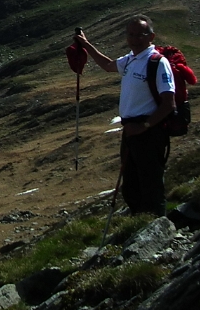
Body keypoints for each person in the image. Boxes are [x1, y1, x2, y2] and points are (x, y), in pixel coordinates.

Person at [75, 16, 175, 216]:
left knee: (150, 182)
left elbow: (168, 103)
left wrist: (144, 126)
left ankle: (156, 226)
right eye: (131, 34)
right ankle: (139, 223)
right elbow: (108, 65)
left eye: (140, 34)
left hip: (148, 131)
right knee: (131, 184)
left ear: (151, 36)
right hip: (131, 131)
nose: (135, 38)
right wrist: (85, 45)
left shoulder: (157, 62)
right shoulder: (130, 60)